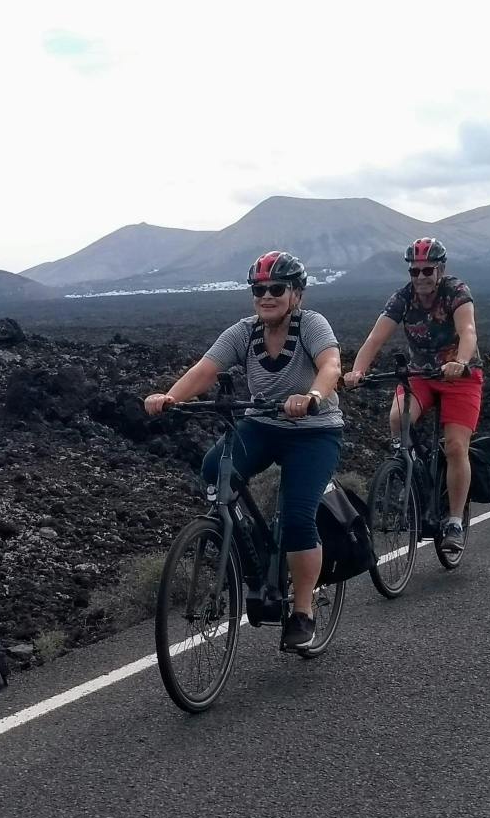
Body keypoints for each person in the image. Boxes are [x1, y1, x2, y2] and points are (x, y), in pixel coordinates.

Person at [142, 251, 344, 653]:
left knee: (298, 517)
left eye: (275, 289)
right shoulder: (244, 332)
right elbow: (206, 369)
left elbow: (331, 364)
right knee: (215, 467)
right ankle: (245, 546)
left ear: (296, 294)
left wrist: (312, 395)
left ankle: (303, 612)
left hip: (313, 431)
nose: (265, 296)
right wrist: (170, 397)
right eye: (258, 290)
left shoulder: (312, 325)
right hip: (263, 424)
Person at [344, 238, 480, 560]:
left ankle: (455, 521)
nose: (420, 277)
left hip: (459, 376)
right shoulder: (403, 298)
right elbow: (375, 337)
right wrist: (357, 371)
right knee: (397, 419)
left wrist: (459, 362)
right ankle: (411, 471)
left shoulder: (456, 291)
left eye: (427, 270)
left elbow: (468, 330)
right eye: (415, 271)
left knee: (457, 446)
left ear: (441, 269)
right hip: (420, 376)